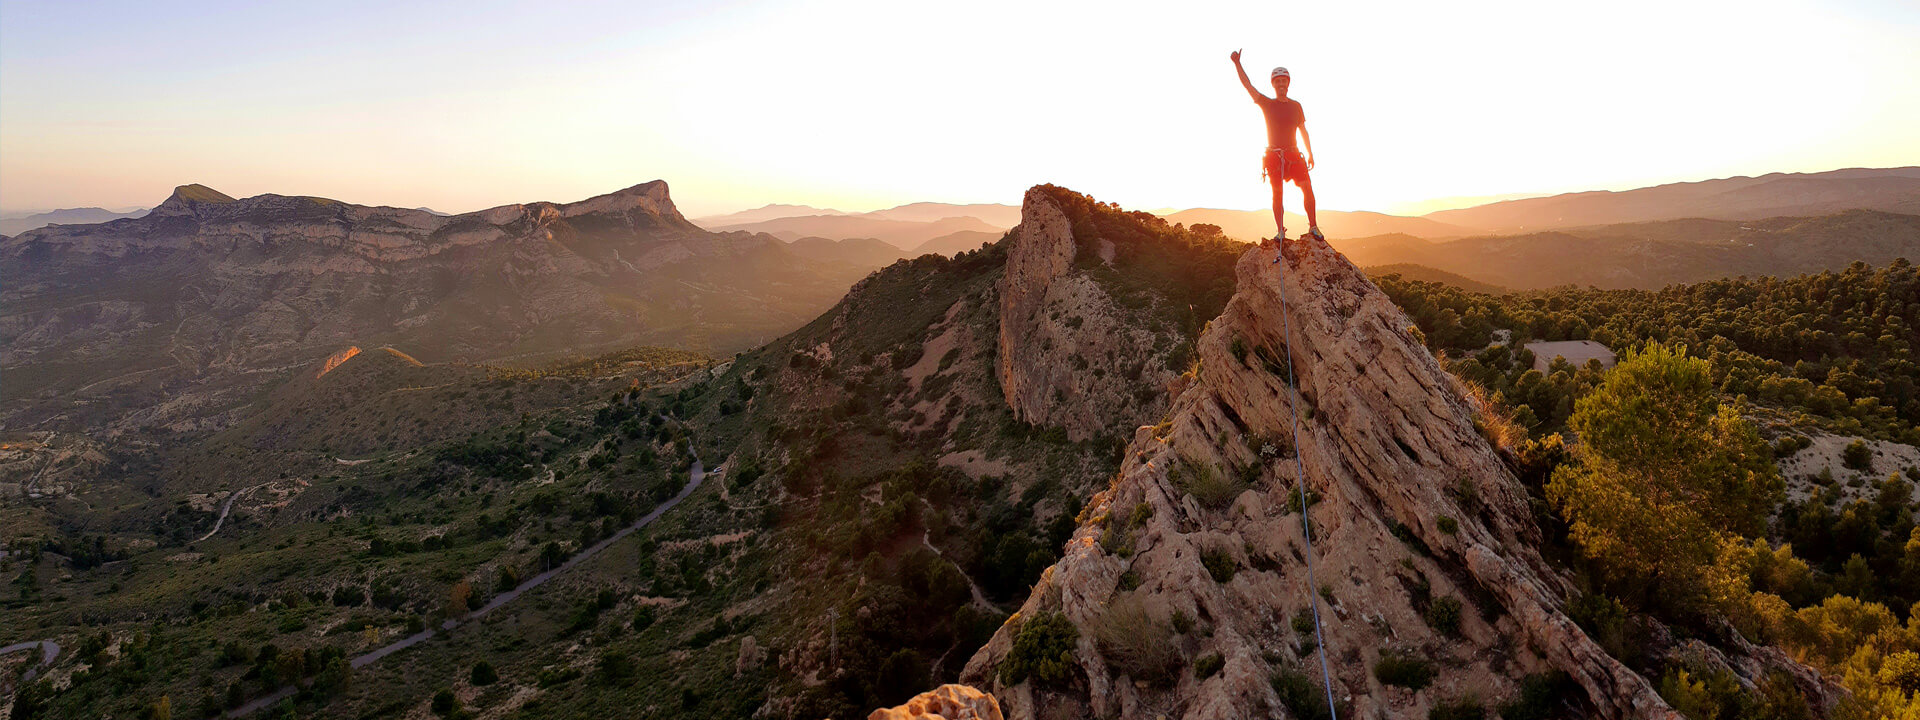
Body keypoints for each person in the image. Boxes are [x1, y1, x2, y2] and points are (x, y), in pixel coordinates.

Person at [1231, 49, 1320, 244]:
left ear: (1288, 84)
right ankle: (1280, 231)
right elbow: (1248, 85)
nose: (1281, 84)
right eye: (1278, 81)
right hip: (1274, 155)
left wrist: (1311, 153)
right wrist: (1237, 63)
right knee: (1277, 194)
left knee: (1307, 188)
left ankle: (1313, 226)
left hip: (1294, 154)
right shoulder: (1267, 104)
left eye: (1284, 81)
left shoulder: (1296, 106)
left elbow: (1303, 130)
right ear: (1274, 84)